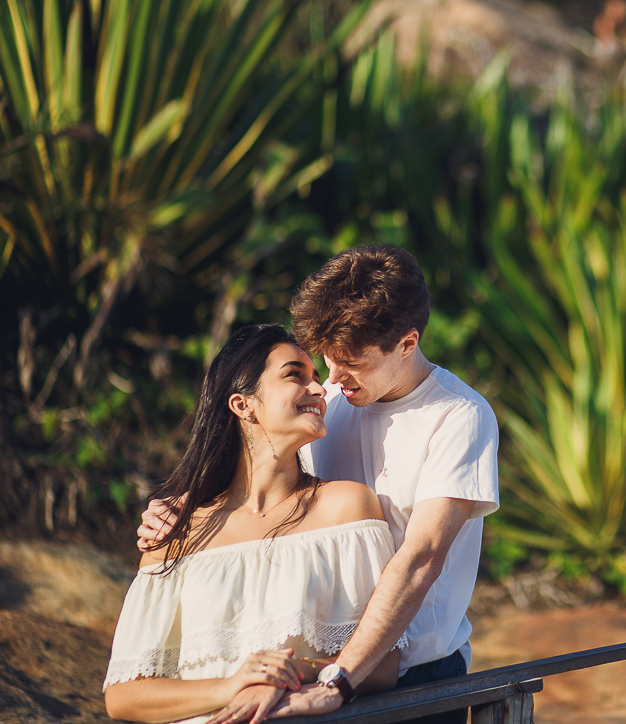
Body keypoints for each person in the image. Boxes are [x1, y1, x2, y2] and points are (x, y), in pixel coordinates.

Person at [138, 245, 501, 723]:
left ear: (408, 344)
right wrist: (188, 507)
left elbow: (421, 559)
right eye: (327, 359)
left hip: (417, 677)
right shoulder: (329, 399)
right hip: (320, 668)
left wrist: (340, 682)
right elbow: (263, 473)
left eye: (352, 362)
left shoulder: (459, 416)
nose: (333, 378)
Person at [106, 324, 404, 724]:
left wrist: (293, 674)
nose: (319, 390)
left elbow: (384, 666)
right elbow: (125, 695)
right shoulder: (174, 532)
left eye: (316, 378)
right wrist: (234, 685)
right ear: (242, 404)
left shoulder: (346, 508)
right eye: (294, 375)